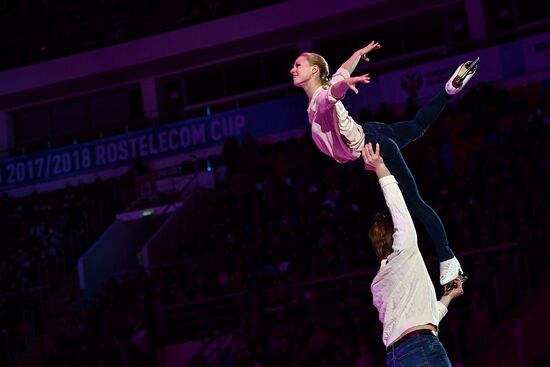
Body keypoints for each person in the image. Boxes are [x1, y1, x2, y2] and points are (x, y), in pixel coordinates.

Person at [290, 42, 478, 288]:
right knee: (415, 127)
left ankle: (447, 257)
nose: (292, 70)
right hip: (371, 130)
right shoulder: (322, 90)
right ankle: (447, 91)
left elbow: (332, 93)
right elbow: (341, 73)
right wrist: (357, 54)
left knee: (417, 205)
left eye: (297, 65)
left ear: (314, 70)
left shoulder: (320, 99)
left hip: (373, 144)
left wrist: (343, 87)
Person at [362, 142, 464, 367]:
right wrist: (380, 168)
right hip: (421, 349)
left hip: (395, 358)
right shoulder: (405, 250)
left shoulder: (377, 285)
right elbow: (399, 208)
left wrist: (447, 298)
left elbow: (418, 320)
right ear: (395, 237)